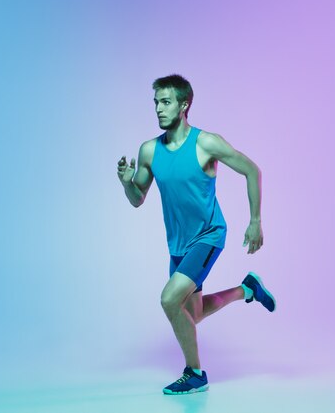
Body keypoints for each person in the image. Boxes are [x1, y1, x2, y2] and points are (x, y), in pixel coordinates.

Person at [116, 74, 276, 395]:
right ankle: (247, 289)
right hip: (178, 245)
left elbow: (251, 170)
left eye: (166, 102)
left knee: (169, 299)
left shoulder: (206, 143)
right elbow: (138, 199)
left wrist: (255, 220)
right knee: (192, 315)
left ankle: (195, 374)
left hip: (208, 236)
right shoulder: (149, 151)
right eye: (156, 103)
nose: (159, 109)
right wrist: (126, 181)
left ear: (184, 105)